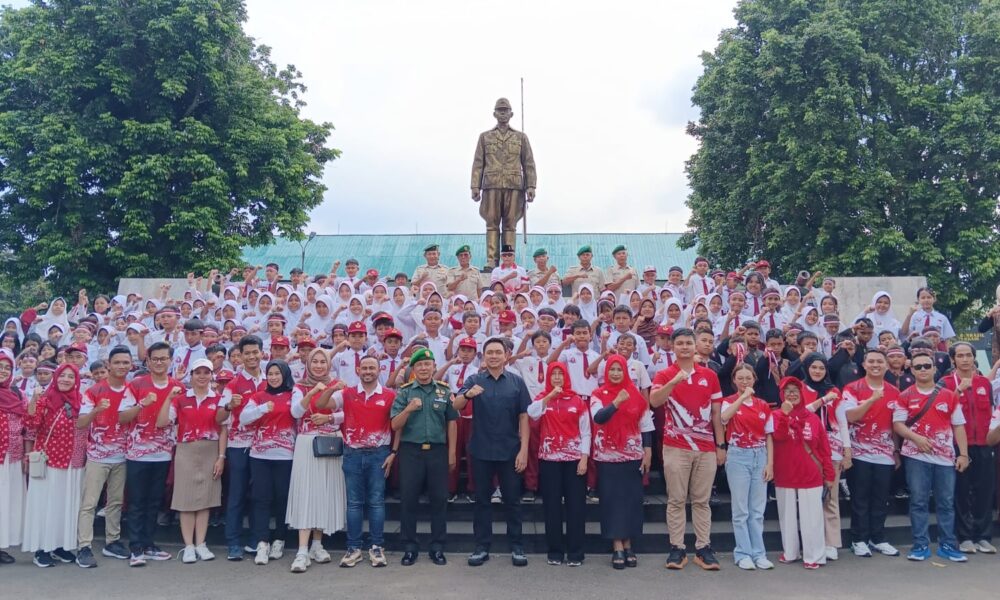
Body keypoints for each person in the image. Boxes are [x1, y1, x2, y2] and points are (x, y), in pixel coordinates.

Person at [650, 328, 725, 571]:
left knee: (702, 501)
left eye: (688, 343)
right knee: (677, 500)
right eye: (679, 343)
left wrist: (720, 445)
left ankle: (703, 548)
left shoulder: (709, 376)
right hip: (675, 446)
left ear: (695, 347)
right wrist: (674, 381)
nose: (684, 347)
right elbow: (655, 401)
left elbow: (716, 414)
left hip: (705, 447)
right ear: (672, 346)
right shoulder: (664, 374)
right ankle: (677, 548)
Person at [454, 337, 532, 567]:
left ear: (506, 355)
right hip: (481, 450)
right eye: (490, 352)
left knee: (512, 501)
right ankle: (481, 546)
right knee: (482, 501)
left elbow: (524, 417)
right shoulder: (474, 379)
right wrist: (467, 395)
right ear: (484, 356)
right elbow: (455, 405)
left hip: (509, 450)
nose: (494, 356)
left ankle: (517, 546)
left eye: (498, 352)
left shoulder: (516, 382)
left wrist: (524, 449)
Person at [892, 352, 970, 562]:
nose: (923, 369)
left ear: (935, 368)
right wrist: (915, 438)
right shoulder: (905, 395)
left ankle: (947, 545)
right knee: (918, 502)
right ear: (912, 370)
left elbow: (959, 426)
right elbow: (897, 424)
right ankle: (920, 545)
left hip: (945, 459)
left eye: (927, 365)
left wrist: (963, 454)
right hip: (916, 458)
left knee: (946, 502)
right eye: (918, 367)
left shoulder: (949, 395)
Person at [118, 341, 184, 566]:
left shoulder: (177, 386)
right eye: (154, 359)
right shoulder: (137, 384)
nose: (159, 362)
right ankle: (136, 547)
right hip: (137, 453)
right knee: (137, 501)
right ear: (147, 361)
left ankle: (149, 544)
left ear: (170, 360)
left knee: (154, 501)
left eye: (163, 358)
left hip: (163, 454)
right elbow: (122, 417)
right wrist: (141, 405)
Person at [390, 348, 458, 566]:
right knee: (409, 500)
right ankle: (410, 547)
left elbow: (451, 422)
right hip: (411, 451)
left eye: (427, 364)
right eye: (419, 365)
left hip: (437, 451)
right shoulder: (405, 392)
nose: (423, 368)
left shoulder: (444, 391)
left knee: (439, 500)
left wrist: (452, 452)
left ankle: (437, 547)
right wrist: (409, 409)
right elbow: (394, 424)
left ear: (433, 367)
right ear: (413, 368)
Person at [156, 358, 227, 563]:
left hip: (210, 449)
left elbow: (223, 430)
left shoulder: (219, 399)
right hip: (186, 449)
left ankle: (201, 543)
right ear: (192, 375)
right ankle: (188, 546)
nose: (202, 376)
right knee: (186, 499)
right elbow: (162, 422)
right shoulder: (181, 399)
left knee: (205, 499)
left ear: (212, 375)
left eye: (206, 372)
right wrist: (168, 398)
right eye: (198, 372)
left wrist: (221, 457)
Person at [328, 354, 396, 568]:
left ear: (379, 371)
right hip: (353, 453)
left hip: (379, 454)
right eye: (364, 368)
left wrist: (393, 452)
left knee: (376, 502)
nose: (368, 371)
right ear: (358, 370)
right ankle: (354, 547)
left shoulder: (390, 395)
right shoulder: (346, 393)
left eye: (372, 368)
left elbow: (398, 425)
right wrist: (330, 387)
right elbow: (323, 404)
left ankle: (376, 546)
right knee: (354, 503)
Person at [590, 354, 653, 569]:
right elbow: (598, 418)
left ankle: (628, 543)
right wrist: (616, 402)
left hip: (632, 455)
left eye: (619, 369)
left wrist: (648, 452)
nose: (615, 373)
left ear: (626, 371)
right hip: (607, 457)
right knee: (611, 500)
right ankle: (617, 544)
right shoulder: (598, 394)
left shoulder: (636, 395)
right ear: (606, 372)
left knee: (631, 500)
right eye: (612, 370)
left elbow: (646, 427)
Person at [286, 348, 346, 573]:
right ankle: (302, 550)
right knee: (306, 493)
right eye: (315, 362)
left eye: (323, 361)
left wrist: (329, 417)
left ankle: (317, 545)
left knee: (324, 492)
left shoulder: (339, 384)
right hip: (306, 443)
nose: (319, 365)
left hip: (331, 441)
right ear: (308, 364)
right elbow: (295, 412)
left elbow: (347, 412)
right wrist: (311, 394)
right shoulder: (300, 386)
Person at [22, 364, 87, 567]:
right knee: (46, 505)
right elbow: (31, 423)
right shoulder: (46, 399)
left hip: (73, 462)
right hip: (49, 460)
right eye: (62, 376)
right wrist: (34, 399)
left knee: (66, 504)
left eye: (70, 376)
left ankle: (60, 545)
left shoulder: (80, 401)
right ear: (55, 378)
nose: (66, 379)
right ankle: (42, 548)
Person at [526, 362, 589, 566]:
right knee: (551, 507)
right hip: (549, 460)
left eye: (560, 374)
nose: (557, 378)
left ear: (566, 377)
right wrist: (549, 397)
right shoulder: (543, 399)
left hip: (574, 461)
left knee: (576, 507)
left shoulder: (578, 400)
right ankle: (554, 551)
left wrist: (584, 457)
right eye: (553, 374)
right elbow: (532, 413)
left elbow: (586, 431)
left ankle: (576, 553)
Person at [74, 346, 132, 568]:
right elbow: (80, 423)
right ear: (109, 364)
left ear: (130, 365)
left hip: (123, 455)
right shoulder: (94, 391)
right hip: (97, 456)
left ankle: (112, 541)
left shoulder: (132, 390)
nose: (121, 366)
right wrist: (97, 410)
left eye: (125, 363)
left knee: (115, 502)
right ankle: (84, 546)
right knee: (89, 503)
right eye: (117, 362)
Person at [842, 349, 902, 557]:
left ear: (886, 366)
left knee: (880, 498)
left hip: (885, 454)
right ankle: (858, 539)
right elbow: (850, 416)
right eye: (871, 361)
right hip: (859, 453)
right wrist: (871, 400)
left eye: (880, 362)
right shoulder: (852, 389)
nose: (876, 365)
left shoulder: (895, 391)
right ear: (864, 365)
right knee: (860, 498)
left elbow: (896, 425)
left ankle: (878, 538)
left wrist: (895, 451)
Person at [240, 360, 300, 566]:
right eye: (270, 373)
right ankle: (262, 542)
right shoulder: (258, 396)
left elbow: (299, 413)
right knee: (260, 499)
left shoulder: (293, 394)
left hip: (285, 456)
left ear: (285, 374)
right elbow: (244, 418)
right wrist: (262, 409)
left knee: (282, 498)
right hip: (260, 456)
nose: (274, 377)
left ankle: (280, 539)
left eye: (277, 373)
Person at [771, 377, 835, 569]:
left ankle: (814, 556)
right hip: (785, 472)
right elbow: (779, 436)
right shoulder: (775, 415)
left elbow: (824, 448)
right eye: (787, 391)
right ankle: (790, 552)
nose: (792, 394)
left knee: (812, 518)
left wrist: (829, 475)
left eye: (795, 390)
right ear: (782, 395)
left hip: (810, 473)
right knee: (787, 516)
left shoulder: (813, 419)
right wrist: (784, 414)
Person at [942, 341, 997, 554]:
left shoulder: (985, 382)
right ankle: (964, 537)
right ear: (953, 359)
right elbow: (942, 410)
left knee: (984, 492)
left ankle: (983, 536)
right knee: (962, 491)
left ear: (974, 358)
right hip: (958, 446)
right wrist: (957, 390)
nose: (965, 359)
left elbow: (991, 412)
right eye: (960, 355)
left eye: (968, 355)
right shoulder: (946, 382)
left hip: (984, 444)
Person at [470, 97, 537, 267]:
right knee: (491, 223)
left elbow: (528, 162)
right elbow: (478, 163)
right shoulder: (485, 137)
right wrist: (475, 186)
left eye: (505, 110)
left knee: (510, 224)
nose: (503, 114)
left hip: (514, 186)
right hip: (491, 184)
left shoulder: (520, 137)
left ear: (511, 113)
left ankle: (509, 260)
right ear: (494, 114)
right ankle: (491, 260)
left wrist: (531, 186)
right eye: (500, 111)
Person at [719, 364, 774, 570]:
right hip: (738, 455)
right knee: (740, 509)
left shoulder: (762, 404)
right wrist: (742, 397)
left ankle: (759, 553)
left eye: (748, 378)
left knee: (757, 510)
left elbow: (769, 436)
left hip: (759, 454)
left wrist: (770, 462)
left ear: (754, 379)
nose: (744, 382)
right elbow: (724, 418)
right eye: (740, 378)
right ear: (734, 380)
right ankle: (742, 553)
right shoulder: (729, 401)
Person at [222, 335, 267, 561]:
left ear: (262, 353)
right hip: (239, 445)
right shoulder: (233, 383)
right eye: (246, 353)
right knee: (237, 494)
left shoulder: (272, 379)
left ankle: (256, 540)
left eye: (255, 352)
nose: (251, 356)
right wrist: (230, 406)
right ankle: (233, 542)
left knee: (259, 495)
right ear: (240, 356)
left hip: (264, 446)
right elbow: (220, 417)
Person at [799, 353, 847, 561]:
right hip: (806, 449)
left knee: (830, 497)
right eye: (814, 367)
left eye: (821, 368)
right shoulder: (800, 389)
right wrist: (823, 400)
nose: (818, 371)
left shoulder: (834, 391)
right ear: (807, 368)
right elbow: (801, 413)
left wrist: (847, 450)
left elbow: (842, 420)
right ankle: (811, 541)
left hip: (832, 449)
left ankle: (831, 542)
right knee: (808, 500)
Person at [0, 349, 26, 565]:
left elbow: (27, 421)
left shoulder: (17, 394)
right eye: (0, 366)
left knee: (5, 502)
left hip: (12, 455)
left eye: (7, 367)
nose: (3, 371)